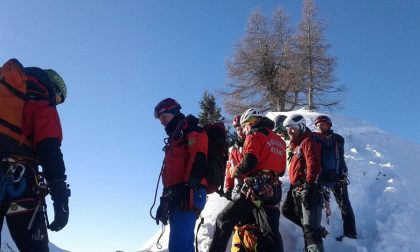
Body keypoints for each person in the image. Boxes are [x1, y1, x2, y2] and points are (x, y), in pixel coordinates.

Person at [0, 61, 70, 252]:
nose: (55, 102)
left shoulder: (6, 90)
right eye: (58, 98)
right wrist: (60, 197)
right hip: (18, 183)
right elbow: (50, 149)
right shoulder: (41, 98)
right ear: (53, 87)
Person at [209, 108, 286, 252]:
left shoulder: (254, 133)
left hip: (257, 188)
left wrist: (235, 170)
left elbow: (250, 160)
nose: (244, 130)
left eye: (244, 126)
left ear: (251, 121)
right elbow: (281, 171)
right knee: (270, 231)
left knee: (223, 220)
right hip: (274, 189)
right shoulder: (280, 140)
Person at [153, 98, 208, 252]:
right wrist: (165, 199)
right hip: (178, 194)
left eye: (164, 117)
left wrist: (189, 187)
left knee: (180, 245)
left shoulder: (190, 130)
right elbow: (172, 173)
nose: (162, 122)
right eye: (160, 119)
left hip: (191, 191)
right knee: (178, 243)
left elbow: (198, 158)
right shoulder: (175, 138)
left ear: (175, 113)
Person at [281, 114, 324, 252]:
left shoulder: (308, 141)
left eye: (292, 128)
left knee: (310, 229)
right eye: (288, 128)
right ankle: (312, 230)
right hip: (298, 188)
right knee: (287, 211)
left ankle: (313, 236)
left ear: (301, 126)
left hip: (310, 188)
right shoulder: (296, 145)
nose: (289, 131)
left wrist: (309, 184)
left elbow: (314, 163)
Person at [314, 115, 357, 240]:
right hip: (324, 176)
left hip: (338, 177)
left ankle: (350, 233)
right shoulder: (319, 139)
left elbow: (339, 146)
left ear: (329, 125)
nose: (320, 127)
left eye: (322, 124)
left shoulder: (336, 138)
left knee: (344, 205)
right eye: (318, 125)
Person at [223, 115, 245, 201]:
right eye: (237, 130)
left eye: (241, 129)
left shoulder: (253, 142)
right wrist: (229, 188)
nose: (240, 132)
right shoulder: (234, 149)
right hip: (241, 186)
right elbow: (229, 169)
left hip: (254, 185)